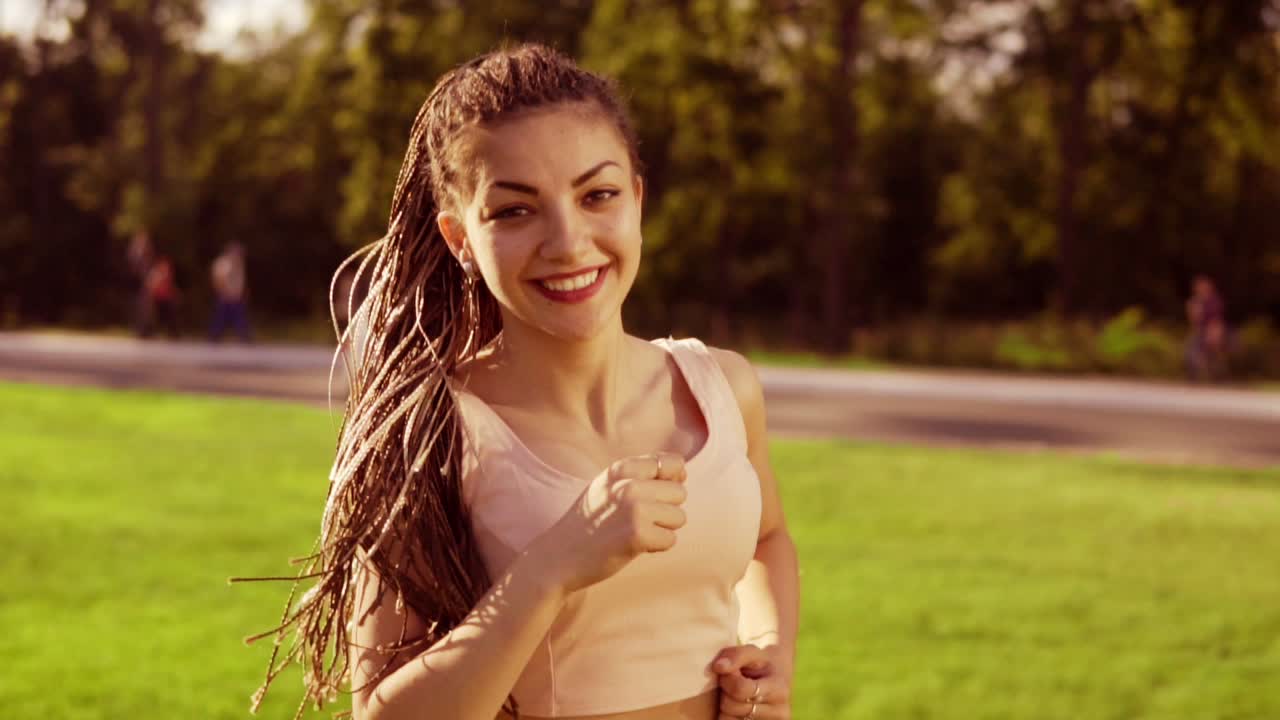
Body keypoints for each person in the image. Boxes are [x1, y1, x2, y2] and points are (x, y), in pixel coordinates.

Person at [243, 45, 799, 720]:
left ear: (637, 200)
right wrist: (553, 566)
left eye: (597, 195)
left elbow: (767, 539)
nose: (568, 242)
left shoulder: (723, 389)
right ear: (460, 239)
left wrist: (768, 651)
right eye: (514, 211)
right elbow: (381, 714)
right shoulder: (433, 435)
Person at [1185, 274, 1228, 381]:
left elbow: (1217, 319)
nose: (1200, 289)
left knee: (1212, 355)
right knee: (1192, 352)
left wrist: (1215, 334)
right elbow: (1195, 320)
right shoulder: (1195, 301)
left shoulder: (1214, 301)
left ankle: (1217, 376)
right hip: (1200, 332)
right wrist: (1193, 309)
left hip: (1213, 331)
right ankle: (1196, 376)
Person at [209, 241, 252, 342]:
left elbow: (240, 281)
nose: (239, 255)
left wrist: (241, 292)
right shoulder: (224, 264)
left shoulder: (239, 264)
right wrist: (224, 292)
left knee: (239, 318)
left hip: (236, 296)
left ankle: (244, 337)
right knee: (221, 318)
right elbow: (218, 279)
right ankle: (214, 338)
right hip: (226, 295)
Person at [143, 254, 180, 338]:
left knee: (170, 316)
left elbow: (171, 287)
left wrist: (175, 295)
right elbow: (150, 285)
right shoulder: (156, 272)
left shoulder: (167, 273)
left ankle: (173, 332)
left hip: (166, 299)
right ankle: (146, 332)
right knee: (152, 316)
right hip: (157, 299)